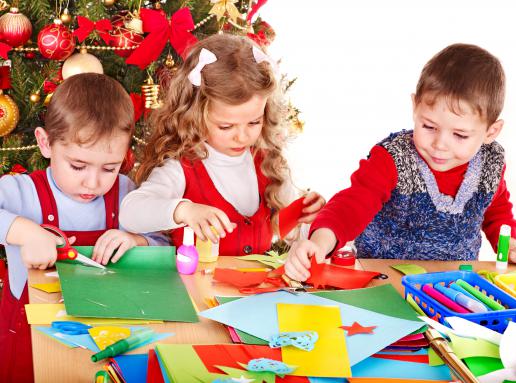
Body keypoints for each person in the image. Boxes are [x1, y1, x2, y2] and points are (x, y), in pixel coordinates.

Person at [285, 43, 516, 281]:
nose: (440, 144)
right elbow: (352, 205)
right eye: (428, 126)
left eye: (459, 135)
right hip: (384, 278)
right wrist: (319, 242)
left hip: (452, 284)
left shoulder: (490, 164)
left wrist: (509, 246)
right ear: (415, 106)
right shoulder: (393, 158)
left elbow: (496, 210)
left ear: (491, 131)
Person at [0, 73, 167, 382]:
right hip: (29, 340)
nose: (93, 183)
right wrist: (27, 232)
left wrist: (136, 240)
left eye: (109, 168)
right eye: (77, 166)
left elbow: (164, 242)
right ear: (45, 142)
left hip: (107, 331)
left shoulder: (125, 192)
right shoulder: (20, 192)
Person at [120, 34, 324, 256]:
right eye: (226, 127)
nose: (242, 137)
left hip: (258, 290)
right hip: (193, 289)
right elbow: (131, 212)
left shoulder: (268, 163)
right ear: (196, 114)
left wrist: (305, 215)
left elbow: (286, 231)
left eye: (254, 122)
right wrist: (183, 210)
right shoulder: (181, 168)